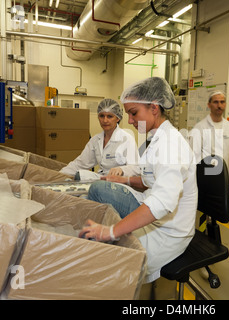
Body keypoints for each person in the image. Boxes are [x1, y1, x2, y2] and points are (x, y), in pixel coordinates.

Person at [79, 77, 198, 283]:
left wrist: (111, 231)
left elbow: (162, 202)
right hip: (152, 209)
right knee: (99, 189)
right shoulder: (157, 138)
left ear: (154, 108)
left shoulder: (171, 145)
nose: (131, 121)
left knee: (110, 266)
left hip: (168, 232)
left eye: (134, 113)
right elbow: (147, 179)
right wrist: (122, 180)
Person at [59, 98, 138, 179]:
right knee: (80, 175)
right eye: (102, 116)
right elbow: (80, 163)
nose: (105, 120)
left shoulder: (126, 139)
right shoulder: (95, 140)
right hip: (102, 178)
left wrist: (122, 170)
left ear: (118, 118)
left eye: (110, 116)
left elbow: (135, 168)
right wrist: (58, 175)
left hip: (120, 181)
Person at [189, 91, 229, 190]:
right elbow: (192, 156)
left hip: (222, 177)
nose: (219, 105)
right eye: (216, 102)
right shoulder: (200, 127)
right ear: (209, 105)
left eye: (222, 102)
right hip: (203, 177)